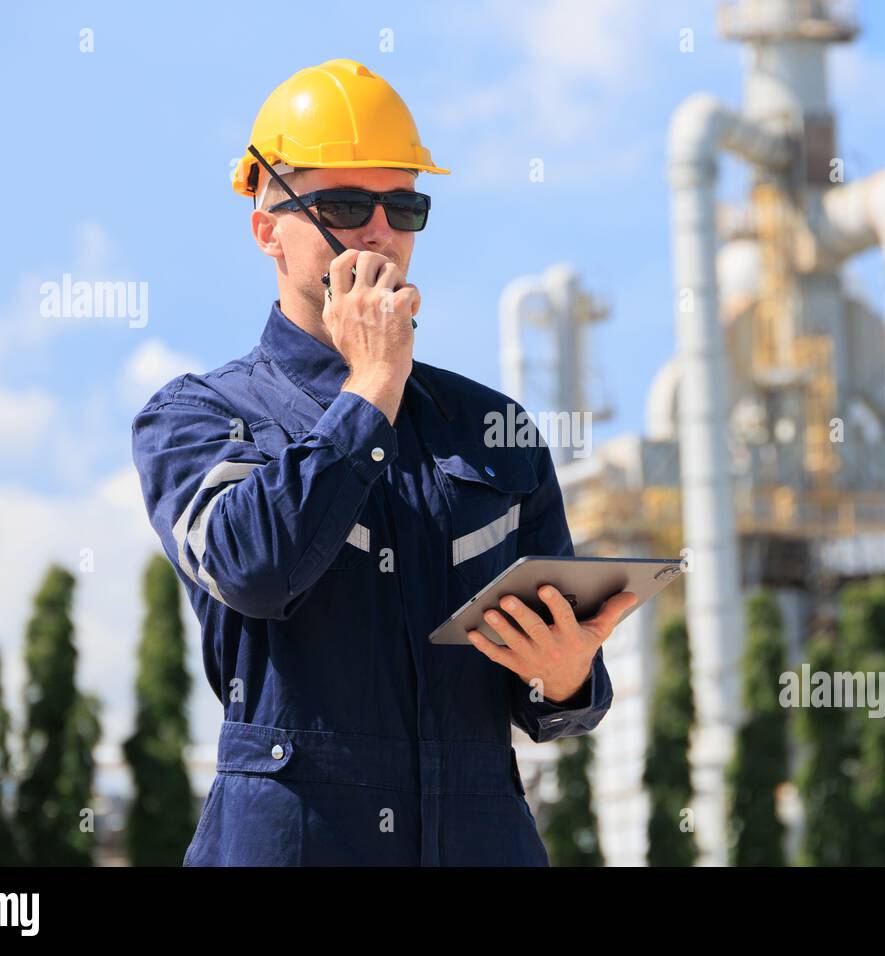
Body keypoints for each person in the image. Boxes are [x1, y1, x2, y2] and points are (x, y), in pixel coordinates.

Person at [130, 59, 636, 865]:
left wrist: (568, 676)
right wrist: (371, 384)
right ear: (267, 227)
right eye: (341, 204)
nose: (376, 230)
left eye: (402, 205)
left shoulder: (492, 428)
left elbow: (554, 709)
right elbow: (254, 570)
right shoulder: (197, 416)